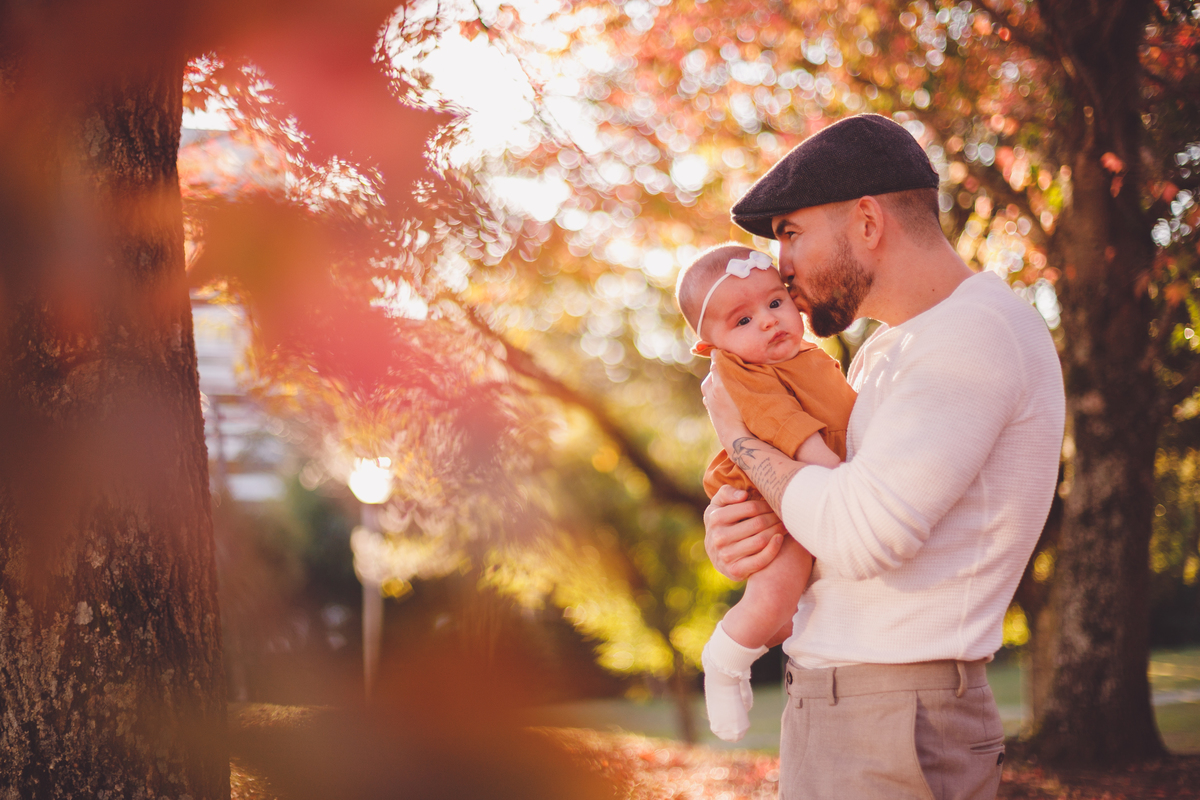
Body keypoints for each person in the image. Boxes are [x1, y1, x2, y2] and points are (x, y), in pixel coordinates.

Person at [701, 114, 1065, 799]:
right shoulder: (887, 351)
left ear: (867, 222)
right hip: (849, 706)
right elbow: (820, 516)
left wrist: (742, 440)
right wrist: (741, 535)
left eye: (789, 232)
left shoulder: (973, 335)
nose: (779, 263)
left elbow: (864, 536)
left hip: (897, 718)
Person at [675, 243, 856, 742]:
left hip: (803, 484)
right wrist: (833, 470)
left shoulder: (807, 356)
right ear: (712, 346)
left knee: (788, 613)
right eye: (742, 321)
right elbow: (780, 425)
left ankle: (761, 642)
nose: (769, 321)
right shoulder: (739, 373)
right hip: (772, 494)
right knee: (774, 597)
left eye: (774, 303)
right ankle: (725, 661)